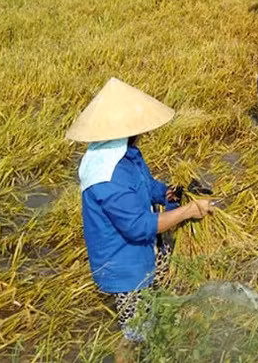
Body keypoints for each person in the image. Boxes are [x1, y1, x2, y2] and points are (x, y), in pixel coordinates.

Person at [65, 78, 213, 360]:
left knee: (157, 306)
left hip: (144, 251)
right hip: (125, 266)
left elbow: (145, 185)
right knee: (135, 334)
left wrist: (169, 192)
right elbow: (138, 227)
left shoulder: (125, 152)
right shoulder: (108, 176)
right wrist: (189, 212)